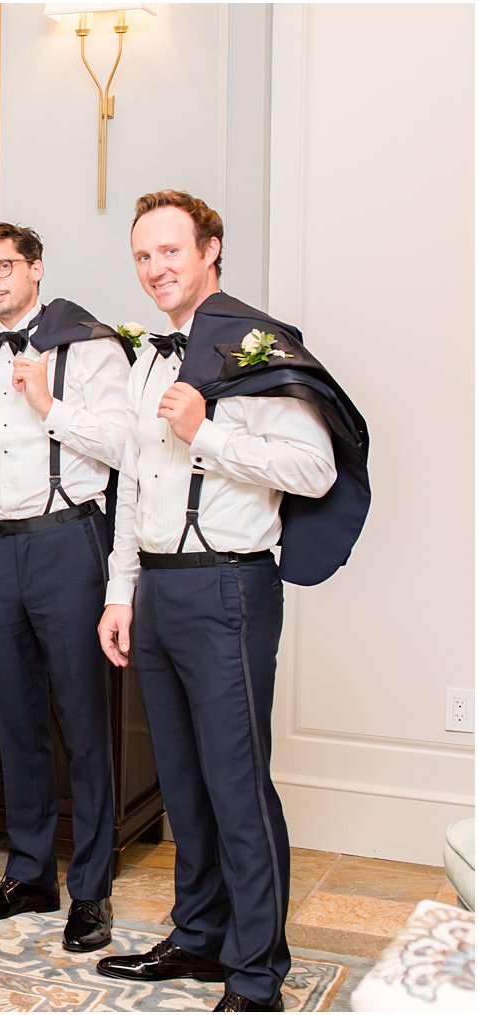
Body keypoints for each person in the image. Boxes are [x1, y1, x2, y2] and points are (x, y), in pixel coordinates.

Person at [95, 190, 365, 1013]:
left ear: (210, 248)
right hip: (160, 589)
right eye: (143, 255)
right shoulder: (148, 356)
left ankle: (256, 974)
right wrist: (121, 592)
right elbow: (134, 482)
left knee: (237, 782)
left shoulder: (259, 346)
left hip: (228, 586)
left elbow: (314, 470)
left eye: (170, 251)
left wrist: (207, 431)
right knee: (181, 781)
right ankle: (199, 935)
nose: (155, 269)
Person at [0, 222, 132, 951]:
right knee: (13, 719)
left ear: (36, 269)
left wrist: (50, 407)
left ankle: (91, 889)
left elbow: (123, 445)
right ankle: (29, 874)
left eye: (4, 267)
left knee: (82, 723)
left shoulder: (91, 346)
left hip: (68, 542)